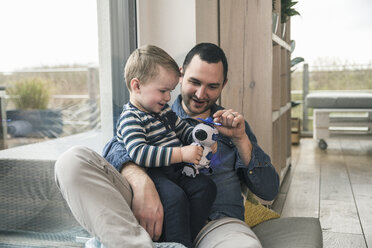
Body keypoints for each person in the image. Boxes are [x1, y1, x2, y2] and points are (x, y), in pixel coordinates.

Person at [54, 43, 279, 248]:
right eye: (194, 82)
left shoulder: (232, 127)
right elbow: (117, 147)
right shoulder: (152, 111)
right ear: (181, 75)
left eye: (212, 86)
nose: (201, 94)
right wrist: (140, 180)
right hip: (148, 216)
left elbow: (269, 191)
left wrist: (241, 140)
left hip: (215, 224)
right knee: (71, 161)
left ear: (224, 85)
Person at [115, 44, 217, 247]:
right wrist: (181, 153)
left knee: (206, 187)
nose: (168, 97)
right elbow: (140, 154)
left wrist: (202, 139)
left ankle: (188, 237)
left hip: (176, 170)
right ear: (137, 86)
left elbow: (184, 131)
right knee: (175, 199)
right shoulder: (130, 118)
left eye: (170, 91)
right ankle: (176, 243)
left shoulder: (164, 112)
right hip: (155, 173)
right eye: (163, 91)